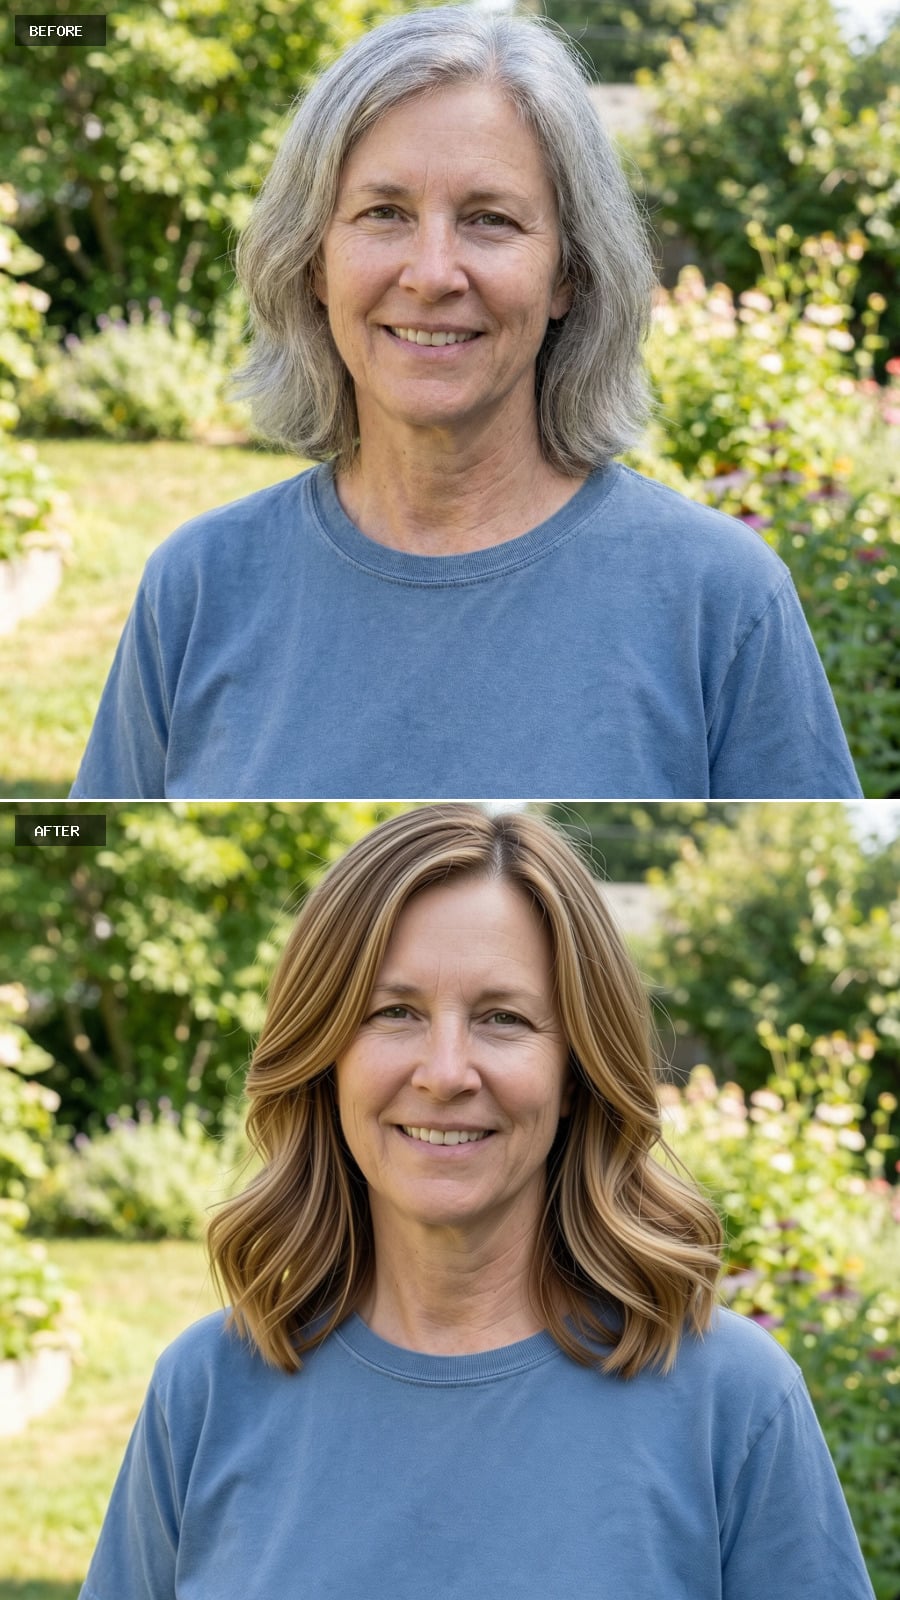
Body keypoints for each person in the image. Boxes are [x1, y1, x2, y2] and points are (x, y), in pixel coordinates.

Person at [79, 805, 875, 1600]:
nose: (446, 1071)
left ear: (578, 1074)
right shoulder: (207, 1391)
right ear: (325, 1057)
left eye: (503, 1018)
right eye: (395, 1012)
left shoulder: (731, 1404)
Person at [69, 7, 861, 801]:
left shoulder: (720, 600)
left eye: (491, 219)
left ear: (568, 276)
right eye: (385, 213)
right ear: (313, 262)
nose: (433, 272)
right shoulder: (199, 585)